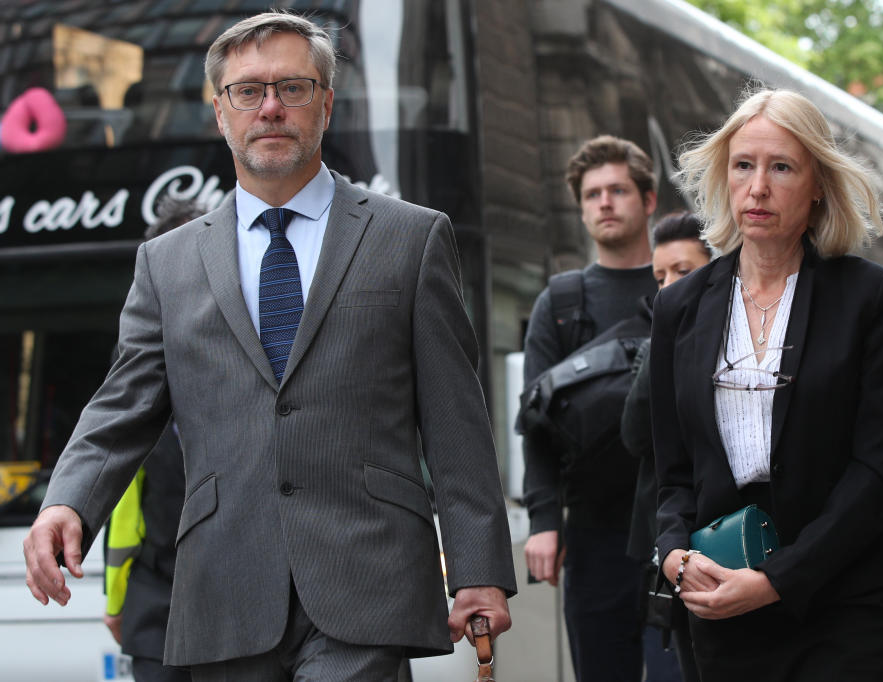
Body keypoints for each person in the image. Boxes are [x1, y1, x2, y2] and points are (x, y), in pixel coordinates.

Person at [22, 11, 515, 682]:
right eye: (248, 91)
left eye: (293, 87)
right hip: (225, 586)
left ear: (327, 104)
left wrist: (480, 569)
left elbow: (456, 422)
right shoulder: (166, 264)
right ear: (221, 112)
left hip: (368, 578)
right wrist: (66, 501)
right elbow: (122, 406)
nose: (271, 107)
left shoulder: (411, 238)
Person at [651, 88, 883, 681]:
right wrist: (673, 555)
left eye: (782, 167)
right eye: (743, 165)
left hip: (845, 599)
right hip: (724, 598)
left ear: (818, 184)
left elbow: (877, 471)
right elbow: (671, 471)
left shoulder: (872, 298)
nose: (758, 187)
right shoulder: (680, 309)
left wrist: (778, 580)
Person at [522, 134, 658, 681]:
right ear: (580, 209)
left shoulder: (689, 285)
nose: (605, 202)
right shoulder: (561, 303)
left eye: (618, 190)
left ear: (648, 201)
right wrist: (543, 520)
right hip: (595, 534)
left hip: (681, 528)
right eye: (592, 194)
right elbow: (536, 421)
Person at [101, 199, 204, 682]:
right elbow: (123, 508)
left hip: (239, 610)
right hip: (158, 610)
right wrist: (119, 601)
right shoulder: (138, 373)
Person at [620, 211, 711, 682]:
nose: (670, 288)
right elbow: (634, 432)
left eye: (684, 272)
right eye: (661, 278)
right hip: (675, 548)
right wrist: (665, 335)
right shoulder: (662, 338)